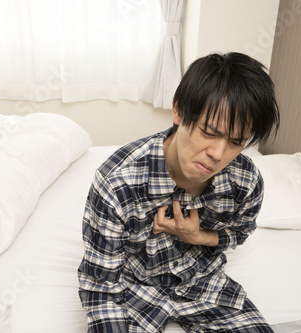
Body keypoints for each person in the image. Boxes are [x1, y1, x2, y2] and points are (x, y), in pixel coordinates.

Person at [78, 52, 280, 332]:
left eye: (236, 142)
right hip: (132, 290)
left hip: (204, 283)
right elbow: (100, 287)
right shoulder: (117, 183)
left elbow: (241, 231)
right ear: (178, 111)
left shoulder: (244, 180)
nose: (218, 154)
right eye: (208, 132)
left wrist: (198, 237)